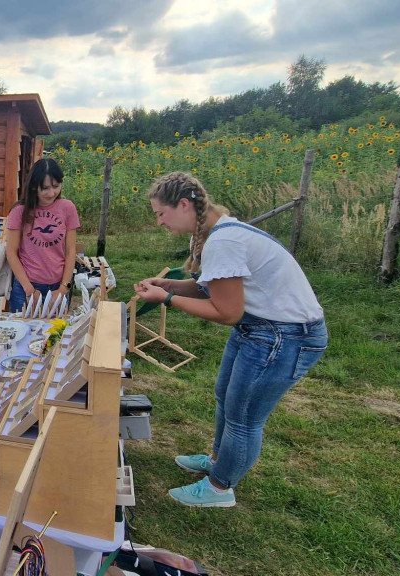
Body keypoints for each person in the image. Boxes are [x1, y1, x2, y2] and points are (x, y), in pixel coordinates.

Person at [133, 172, 327, 508]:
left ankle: (220, 488)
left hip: (284, 336)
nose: (161, 222)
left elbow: (226, 311)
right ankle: (219, 460)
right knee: (226, 396)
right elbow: (212, 287)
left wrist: (166, 300)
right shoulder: (219, 233)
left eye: (160, 214)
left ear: (183, 205)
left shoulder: (223, 241)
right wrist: (171, 287)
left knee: (244, 415)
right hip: (260, 329)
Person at [4, 157, 80, 312]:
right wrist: (29, 289)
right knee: (24, 333)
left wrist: (63, 288)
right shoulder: (19, 211)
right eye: (44, 188)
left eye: (56, 186)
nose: (51, 193)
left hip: (58, 287)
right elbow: (11, 252)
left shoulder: (68, 208)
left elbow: (71, 251)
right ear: (33, 187)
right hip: (26, 287)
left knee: (54, 334)